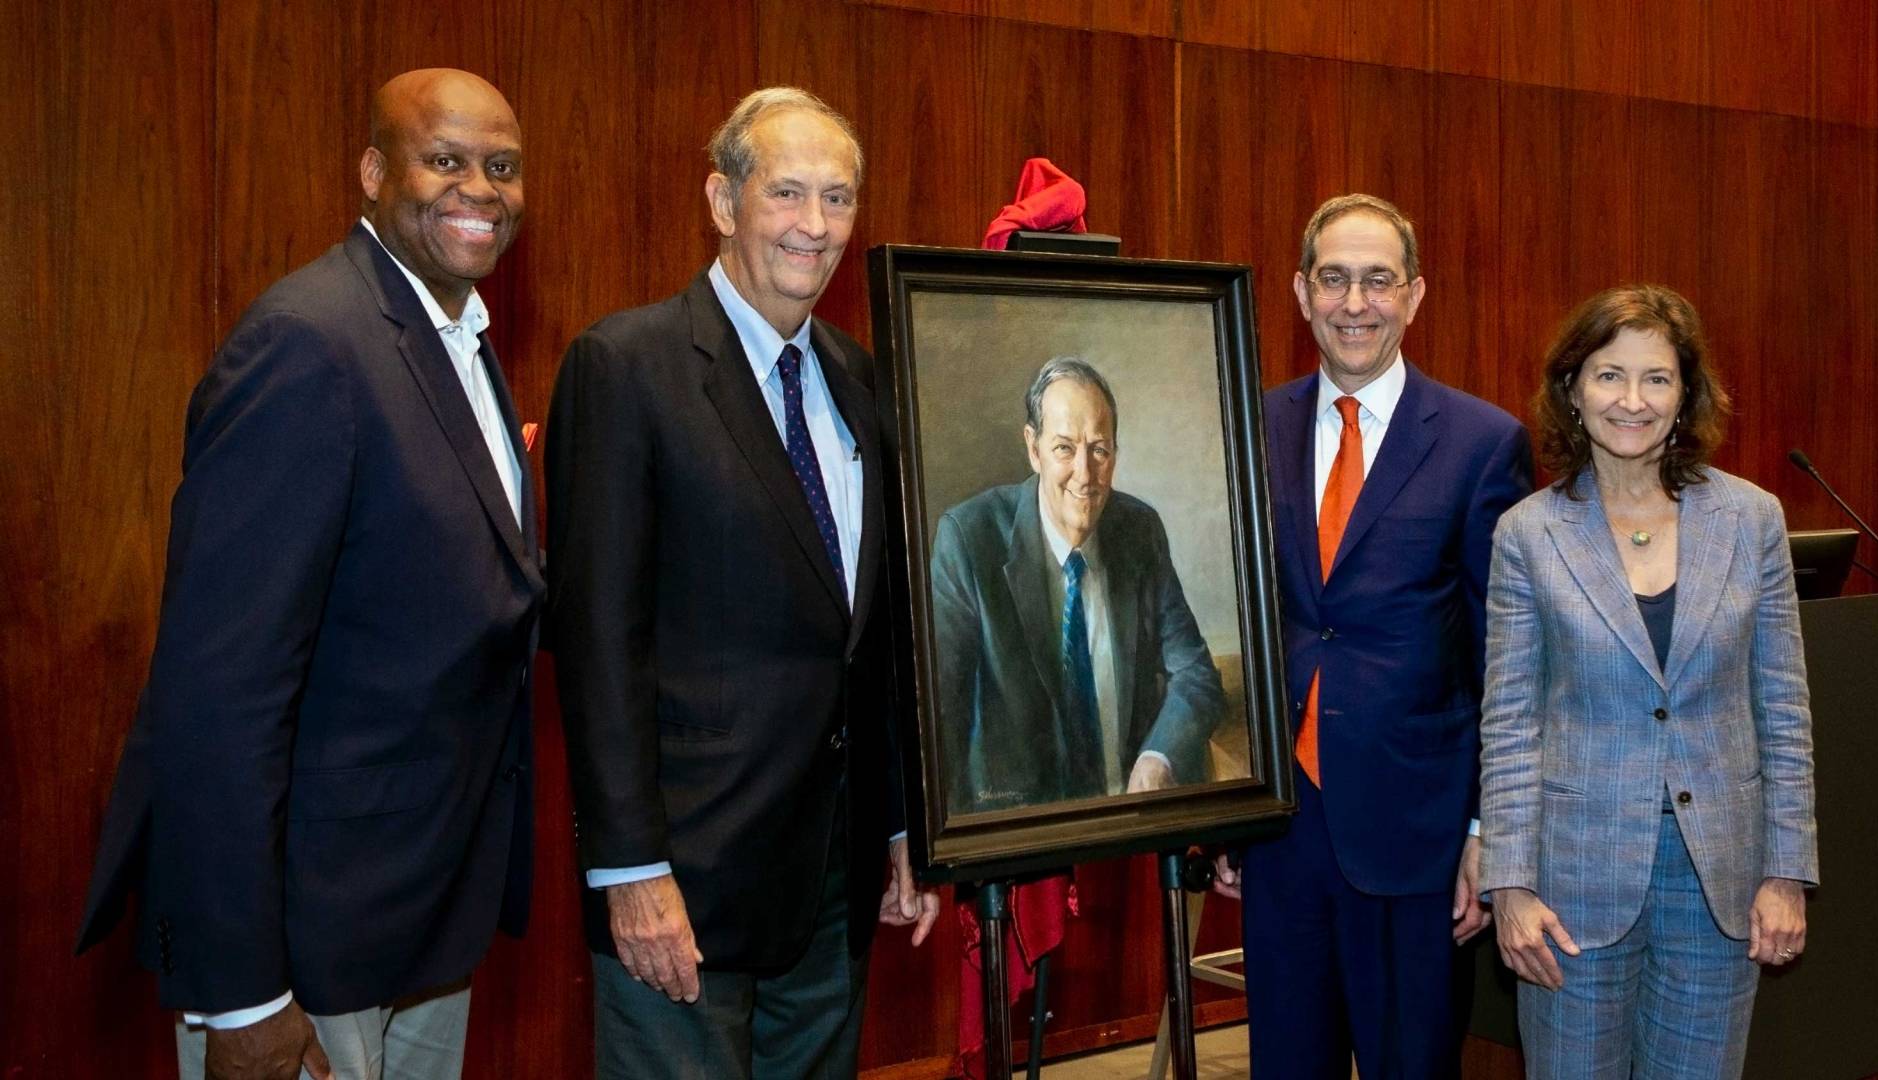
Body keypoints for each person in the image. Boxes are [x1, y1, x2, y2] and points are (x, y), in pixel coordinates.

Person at [73, 69, 542, 1079]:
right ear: (374, 172)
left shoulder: (455, 336)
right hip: (301, 946)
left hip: (416, 922)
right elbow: (218, 689)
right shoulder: (308, 342)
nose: (481, 189)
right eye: (446, 160)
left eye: (501, 167)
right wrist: (242, 993)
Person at [543, 86, 938, 1079]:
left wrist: (900, 819)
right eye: (787, 192)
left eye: (838, 198)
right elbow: (597, 643)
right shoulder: (625, 368)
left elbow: (872, 636)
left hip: (832, 883)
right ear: (723, 202)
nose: (815, 226)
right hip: (685, 886)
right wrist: (629, 871)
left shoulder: (861, 378)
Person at [1215, 193, 1533, 1078]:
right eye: (1335, 279)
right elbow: (1237, 617)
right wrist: (1225, 815)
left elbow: (1501, 663)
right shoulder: (1248, 421)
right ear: (1300, 292)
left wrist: (1485, 830)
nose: (1356, 303)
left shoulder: (1482, 443)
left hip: (1418, 831)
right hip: (1284, 827)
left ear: (1416, 295)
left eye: (1379, 282)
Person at [1479, 284, 1817, 1078]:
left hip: (1720, 883)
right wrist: (1511, 884)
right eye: (1608, 375)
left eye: (1656, 379)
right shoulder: (1528, 534)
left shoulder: (1753, 520)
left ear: (1686, 394)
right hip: (1572, 882)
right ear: (1572, 389)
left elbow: (1784, 706)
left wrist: (1787, 869)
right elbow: (1511, 722)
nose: (1631, 400)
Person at [928, 356, 1226, 814]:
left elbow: (1197, 676)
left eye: (1099, 450)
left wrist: (1157, 756)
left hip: (1123, 825)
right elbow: (937, 716)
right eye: (1065, 448)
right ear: (1033, 449)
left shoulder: (1139, 531)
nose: (1085, 475)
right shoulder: (970, 540)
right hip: (1016, 842)